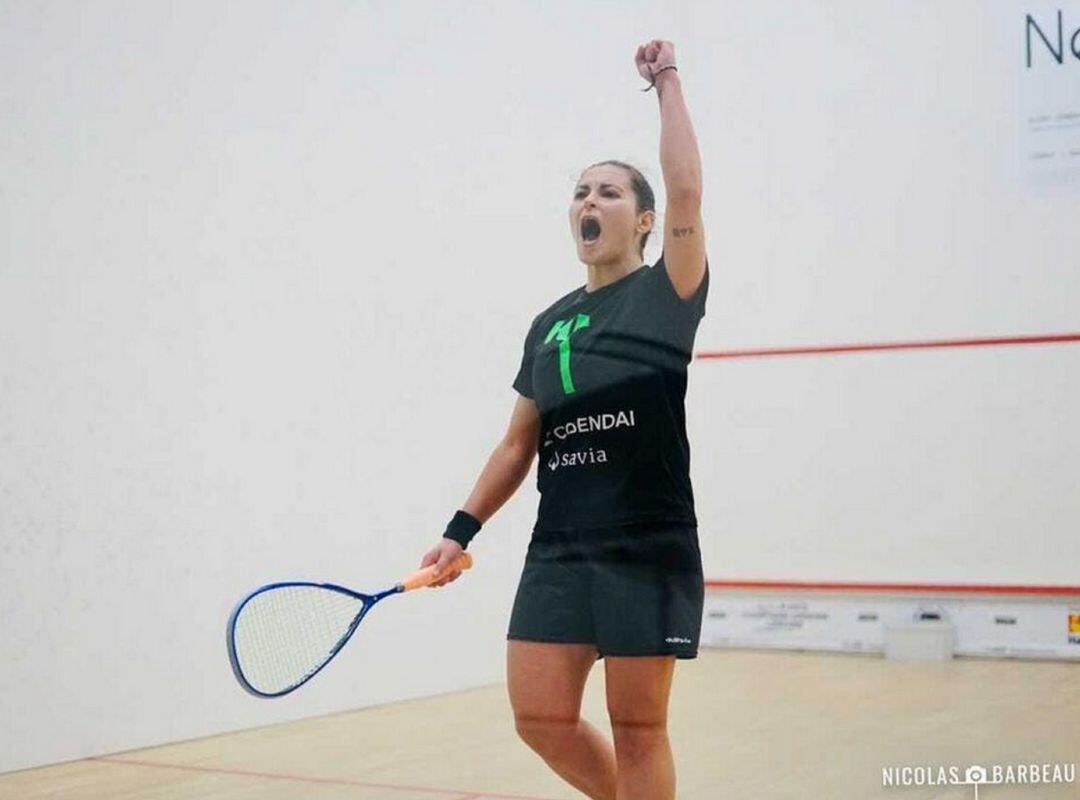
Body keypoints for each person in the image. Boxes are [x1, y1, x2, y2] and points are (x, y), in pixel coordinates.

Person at [419, 39, 708, 800]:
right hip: (561, 546)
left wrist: (668, 84)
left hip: (647, 540)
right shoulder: (548, 323)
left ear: (644, 221)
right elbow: (520, 441)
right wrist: (459, 530)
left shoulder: (665, 296)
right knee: (539, 716)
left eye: (610, 193)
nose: (590, 202)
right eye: (581, 192)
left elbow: (687, 193)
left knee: (639, 727)